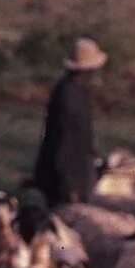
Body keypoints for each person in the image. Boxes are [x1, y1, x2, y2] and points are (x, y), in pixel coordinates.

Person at [32, 37, 108, 206]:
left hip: (78, 172)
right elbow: (61, 142)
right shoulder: (67, 95)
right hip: (65, 178)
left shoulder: (80, 91)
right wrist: (68, 186)